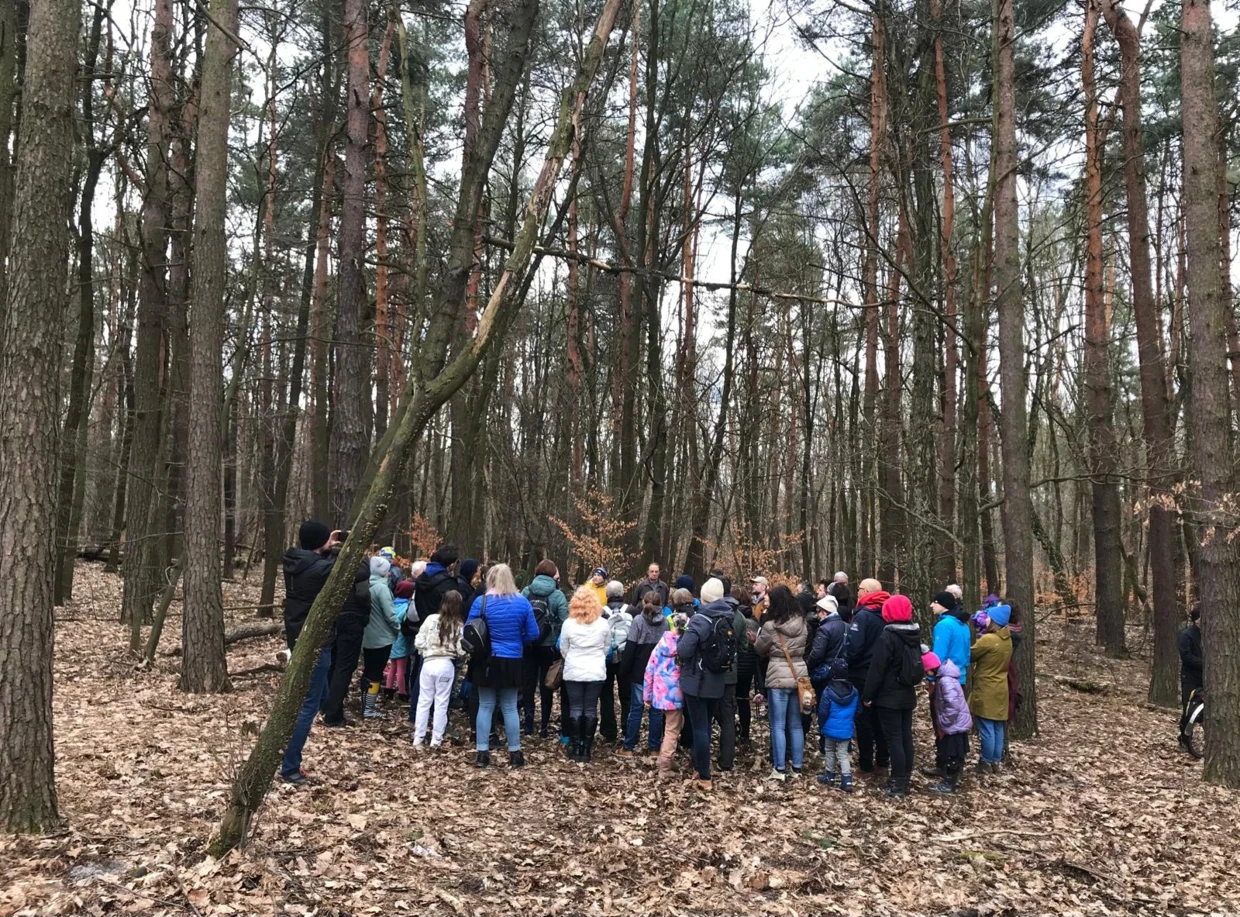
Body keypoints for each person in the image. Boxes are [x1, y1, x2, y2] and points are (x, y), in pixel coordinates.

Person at [278, 521, 341, 784]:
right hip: (316, 641)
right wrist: (341, 548)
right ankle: (290, 766)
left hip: (299, 636)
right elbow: (359, 572)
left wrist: (325, 547)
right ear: (320, 542)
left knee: (319, 695)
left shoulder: (295, 562)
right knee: (309, 706)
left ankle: (289, 759)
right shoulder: (318, 568)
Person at [467, 563, 540, 768]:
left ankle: (482, 753)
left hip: (487, 660)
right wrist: (518, 642)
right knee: (509, 707)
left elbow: (469, 630)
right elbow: (533, 633)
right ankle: (515, 753)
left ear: (489, 579)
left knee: (485, 705)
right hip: (513, 659)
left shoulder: (481, 602)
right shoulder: (522, 603)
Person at [861, 594, 923, 798]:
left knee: (894, 739)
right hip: (906, 693)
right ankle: (904, 777)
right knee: (905, 737)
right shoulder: (914, 634)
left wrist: (868, 695)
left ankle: (898, 783)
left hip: (888, 696)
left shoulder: (888, 635)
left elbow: (877, 668)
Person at [677, 577, 735, 791]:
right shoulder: (728, 616)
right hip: (717, 681)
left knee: (700, 728)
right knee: (707, 726)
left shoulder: (701, 620)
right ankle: (700, 765)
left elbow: (683, 651)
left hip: (697, 682)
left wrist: (682, 634)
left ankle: (704, 775)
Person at [755, 585, 809, 781]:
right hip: (799, 674)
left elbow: (760, 649)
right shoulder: (802, 623)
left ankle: (779, 768)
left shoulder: (771, 626)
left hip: (778, 675)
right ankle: (797, 767)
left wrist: (756, 641)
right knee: (796, 725)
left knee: (778, 724)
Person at [560, 587, 611, 762]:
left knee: (575, 708)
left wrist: (574, 658)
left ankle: (575, 747)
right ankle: (586, 748)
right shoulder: (603, 624)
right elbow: (606, 647)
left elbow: (564, 649)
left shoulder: (568, 624)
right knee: (590, 708)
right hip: (595, 670)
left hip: (573, 669)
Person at [846, 579, 891, 774]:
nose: (857, 593)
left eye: (859, 590)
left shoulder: (863, 615)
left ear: (865, 592)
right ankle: (882, 760)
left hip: (862, 673)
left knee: (864, 720)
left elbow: (855, 647)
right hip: (884, 673)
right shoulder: (889, 613)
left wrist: (848, 658)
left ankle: (865, 762)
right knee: (881, 719)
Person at [412, 590, 467, 748]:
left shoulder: (430, 619)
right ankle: (436, 739)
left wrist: (425, 651)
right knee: (441, 702)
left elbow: (419, 641)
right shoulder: (458, 626)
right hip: (446, 665)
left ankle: (418, 737)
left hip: (428, 663)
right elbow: (461, 650)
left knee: (424, 701)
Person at [616, 593, 669, 757]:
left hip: (640, 671)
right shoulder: (665, 622)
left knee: (636, 709)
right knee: (656, 712)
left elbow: (631, 647)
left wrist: (623, 671)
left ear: (643, 602)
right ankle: (654, 748)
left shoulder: (638, 621)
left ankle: (629, 746)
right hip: (659, 672)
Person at [521, 560, 569, 739]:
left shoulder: (527, 591)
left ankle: (528, 724)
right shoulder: (558, 595)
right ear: (553, 574)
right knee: (546, 684)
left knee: (528, 684)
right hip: (548, 645)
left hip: (528, 644)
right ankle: (543, 727)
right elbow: (565, 621)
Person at [969, 602, 1013, 773]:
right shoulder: (1006, 639)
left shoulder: (988, 639)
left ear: (993, 620)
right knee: (997, 727)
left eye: (988, 617)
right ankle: (995, 761)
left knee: (986, 727)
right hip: (1001, 687)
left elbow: (971, 653)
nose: (985, 619)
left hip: (987, 686)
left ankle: (986, 762)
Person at [645, 612, 689, 778]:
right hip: (676, 694)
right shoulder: (685, 647)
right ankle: (665, 766)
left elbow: (649, 670)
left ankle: (666, 758)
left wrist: (647, 695)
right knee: (672, 729)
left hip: (660, 693)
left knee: (672, 725)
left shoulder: (660, 644)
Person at [923, 652, 972, 794]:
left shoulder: (945, 681)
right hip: (955, 724)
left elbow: (953, 705)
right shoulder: (945, 679)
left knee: (953, 754)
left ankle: (949, 783)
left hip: (954, 725)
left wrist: (943, 723)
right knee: (953, 753)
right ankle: (950, 779)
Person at [715, 577, 747, 772]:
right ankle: (727, 759)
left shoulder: (710, 613)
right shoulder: (740, 617)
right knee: (727, 717)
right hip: (731, 672)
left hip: (710, 673)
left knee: (706, 714)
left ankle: (697, 757)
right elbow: (744, 647)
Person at [361, 556, 400, 719]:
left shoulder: (365, 585)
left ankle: (365, 703)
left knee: (368, 671)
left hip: (367, 636)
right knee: (376, 673)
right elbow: (390, 614)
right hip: (382, 638)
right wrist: (397, 628)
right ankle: (369, 708)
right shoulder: (382, 589)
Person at [815, 658, 859, 792]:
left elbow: (823, 711)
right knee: (843, 753)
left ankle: (830, 775)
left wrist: (821, 725)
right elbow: (858, 710)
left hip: (829, 728)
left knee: (829, 750)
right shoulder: (854, 691)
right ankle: (847, 780)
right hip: (846, 729)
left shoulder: (828, 691)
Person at [600, 580, 633, 744]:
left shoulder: (600, 612)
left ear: (607, 595)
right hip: (625, 659)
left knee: (606, 695)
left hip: (606, 659)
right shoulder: (632, 611)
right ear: (622, 594)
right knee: (626, 696)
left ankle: (608, 731)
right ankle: (628, 729)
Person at [733, 586, 759, 745]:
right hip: (749, 666)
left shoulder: (734, 618)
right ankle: (745, 734)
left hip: (735, 663)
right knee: (743, 700)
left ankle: (729, 730)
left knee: (729, 699)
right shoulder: (754, 620)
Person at [931, 590, 971, 685]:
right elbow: (967, 655)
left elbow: (939, 655)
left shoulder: (944, 625)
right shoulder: (964, 625)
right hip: (960, 677)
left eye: (935, 602)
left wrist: (931, 676)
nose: (931, 605)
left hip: (946, 680)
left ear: (943, 604)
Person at [384, 580, 415, 700]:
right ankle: (402, 693)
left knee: (393, 667)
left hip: (392, 640)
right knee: (402, 669)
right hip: (402, 640)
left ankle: (388, 689)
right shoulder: (406, 607)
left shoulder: (392, 605)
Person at [1178, 607, 1203, 749]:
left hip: (1205, 678)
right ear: (1196, 620)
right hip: (1190, 678)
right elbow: (1186, 656)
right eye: (1201, 618)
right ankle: (1184, 738)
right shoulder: (1186, 635)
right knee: (1189, 709)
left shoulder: (1209, 634)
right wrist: (1205, 664)